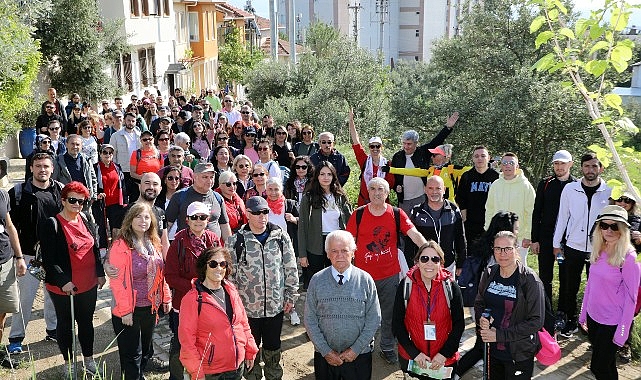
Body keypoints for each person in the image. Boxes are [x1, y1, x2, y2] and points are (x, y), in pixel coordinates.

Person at [346, 177, 428, 364]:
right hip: (362, 276)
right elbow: (347, 242)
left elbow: (413, 234)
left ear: (387, 192)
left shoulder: (397, 214)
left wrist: (429, 250)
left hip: (389, 275)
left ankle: (387, 347)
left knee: (389, 314)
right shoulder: (358, 215)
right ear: (368, 191)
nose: (376, 192)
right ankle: (363, 345)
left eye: (381, 189)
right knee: (361, 314)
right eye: (373, 189)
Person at [227, 196, 299, 380]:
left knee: (273, 347)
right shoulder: (235, 241)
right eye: (257, 212)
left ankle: (274, 376)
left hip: (275, 306)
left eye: (265, 212)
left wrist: (290, 296)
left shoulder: (280, 237)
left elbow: (290, 267)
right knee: (250, 349)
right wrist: (234, 306)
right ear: (247, 214)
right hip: (248, 309)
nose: (262, 216)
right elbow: (230, 277)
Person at [39, 182, 106, 376]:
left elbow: (95, 248)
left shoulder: (85, 218)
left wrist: (100, 272)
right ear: (63, 200)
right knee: (66, 325)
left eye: (81, 201)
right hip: (64, 287)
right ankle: (69, 364)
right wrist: (63, 281)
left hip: (88, 283)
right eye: (72, 200)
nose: (77, 204)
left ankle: (89, 360)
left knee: (86, 323)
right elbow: (49, 260)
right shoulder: (52, 223)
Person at [304, 230, 381, 380]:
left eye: (344, 250)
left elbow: (374, 319)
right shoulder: (316, 280)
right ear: (327, 254)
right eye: (334, 251)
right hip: (325, 358)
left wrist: (355, 350)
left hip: (359, 357)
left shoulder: (366, 280)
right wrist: (326, 351)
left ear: (353, 252)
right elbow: (310, 320)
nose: (340, 255)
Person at [108, 202, 171, 379]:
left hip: (150, 307)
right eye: (138, 216)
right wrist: (125, 311)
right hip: (129, 310)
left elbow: (161, 273)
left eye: (146, 217)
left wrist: (165, 297)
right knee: (132, 354)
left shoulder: (153, 242)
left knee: (145, 351)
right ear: (130, 219)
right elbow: (117, 282)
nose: (142, 220)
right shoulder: (121, 245)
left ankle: (138, 374)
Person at [7, 153, 61, 354]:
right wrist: (18, 256)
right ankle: (16, 338)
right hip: (29, 257)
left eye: (46, 166)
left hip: (54, 256)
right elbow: (8, 225)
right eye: (37, 166)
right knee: (25, 300)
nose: (42, 170)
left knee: (53, 296)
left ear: (52, 168)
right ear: (31, 168)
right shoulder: (18, 193)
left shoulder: (60, 191)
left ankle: (53, 330)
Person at [455, 211, 520, 378]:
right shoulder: (499, 254)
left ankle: (454, 373)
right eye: (516, 229)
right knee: (482, 346)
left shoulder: (484, 247)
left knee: (482, 345)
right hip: (489, 308)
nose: (517, 232)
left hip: (479, 304)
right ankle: (454, 373)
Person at [553, 152, 611, 338]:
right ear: (581, 168)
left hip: (599, 249)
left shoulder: (609, 191)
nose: (590, 170)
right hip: (573, 246)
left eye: (594, 166)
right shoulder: (570, 189)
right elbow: (562, 218)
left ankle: (594, 325)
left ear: (601, 168)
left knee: (598, 288)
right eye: (587, 166)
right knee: (569, 285)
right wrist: (556, 244)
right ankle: (567, 320)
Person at [579, 205, 641, 379]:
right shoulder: (599, 249)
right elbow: (590, 285)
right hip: (594, 318)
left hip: (611, 323)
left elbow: (631, 299)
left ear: (623, 229)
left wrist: (622, 334)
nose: (608, 230)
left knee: (600, 367)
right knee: (603, 366)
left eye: (614, 226)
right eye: (604, 225)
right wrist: (583, 314)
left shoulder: (629, 258)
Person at [178, 246, 259, 380]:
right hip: (212, 372)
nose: (219, 268)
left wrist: (250, 349)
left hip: (236, 367)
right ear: (204, 266)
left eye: (223, 264)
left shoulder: (231, 289)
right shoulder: (192, 299)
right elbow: (187, 340)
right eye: (213, 264)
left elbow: (243, 323)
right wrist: (196, 372)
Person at [475, 231, 545, 380]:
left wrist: (499, 335)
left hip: (518, 353)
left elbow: (536, 321)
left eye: (507, 248)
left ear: (516, 249)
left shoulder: (529, 279)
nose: (502, 253)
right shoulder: (489, 273)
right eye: (498, 249)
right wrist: (482, 318)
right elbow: (479, 303)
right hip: (492, 350)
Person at [165, 201, 222, 380]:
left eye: (203, 217)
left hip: (209, 303)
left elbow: (223, 268)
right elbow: (170, 275)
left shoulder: (213, 240)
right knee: (181, 345)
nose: (199, 220)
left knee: (206, 342)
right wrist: (193, 286)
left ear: (208, 219)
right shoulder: (179, 242)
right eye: (195, 217)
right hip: (183, 304)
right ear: (187, 220)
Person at [392, 241, 465, 378]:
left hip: (443, 361)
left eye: (435, 259)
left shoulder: (451, 286)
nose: (429, 263)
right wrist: (415, 354)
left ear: (441, 263)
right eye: (424, 258)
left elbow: (459, 324)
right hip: (413, 359)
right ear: (417, 262)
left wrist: (444, 354)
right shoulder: (406, 284)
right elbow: (397, 324)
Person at [530, 150, 575, 319]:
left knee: (565, 276)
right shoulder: (546, 183)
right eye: (556, 163)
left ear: (570, 164)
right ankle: (546, 311)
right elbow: (537, 212)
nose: (559, 167)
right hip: (546, 239)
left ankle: (563, 312)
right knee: (545, 277)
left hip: (566, 241)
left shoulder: (576, 185)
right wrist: (535, 239)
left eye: (563, 163)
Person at [391, 113, 458, 216]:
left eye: (409, 144)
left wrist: (448, 127)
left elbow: (437, 141)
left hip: (422, 197)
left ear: (416, 143)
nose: (406, 146)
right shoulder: (397, 156)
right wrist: (396, 186)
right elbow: (393, 176)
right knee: (404, 227)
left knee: (422, 225)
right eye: (404, 143)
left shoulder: (422, 152)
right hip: (404, 199)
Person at [298, 161, 352, 289]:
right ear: (317, 176)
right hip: (315, 243)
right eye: (322, 174)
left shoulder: (340, 196)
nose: (326, 177)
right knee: (316, 282)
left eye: (329, 174)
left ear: (333, 176)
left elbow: (350, 220)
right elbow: (302, 227)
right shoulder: (308, 197)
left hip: (336, 242)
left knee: (336, 279)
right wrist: (302, 254)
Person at [484, 152, 536, 264]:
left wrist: (528, 235)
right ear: (501, 166)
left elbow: (532, 212)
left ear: (517, 166)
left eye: (511, 163)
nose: (508, 165)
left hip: (519, 238)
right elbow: (489, 209)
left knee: (519, 270)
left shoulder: (526, 186)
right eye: (505, 163)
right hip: (497, 237)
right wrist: (488, 230)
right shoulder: (495, 185)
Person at [407, 176, 466, 273]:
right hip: (424, 265)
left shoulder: (453, 210)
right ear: (425, 190)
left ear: (444, 190)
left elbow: (460, 238)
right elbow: (409, 243)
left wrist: (461, 263)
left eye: (438, 188)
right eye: (430, 188)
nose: (434, 192)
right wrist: (411, 265)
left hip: (448, 265)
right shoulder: (416, 212)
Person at [166, 162, 232, 242]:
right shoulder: (180, 196)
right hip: (188, 248)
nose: (209, 181)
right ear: (195, 177)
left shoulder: (218, 197)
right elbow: (168, 225)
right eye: (205, 177)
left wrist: (229, 249)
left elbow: (224, 225)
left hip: (212, 249)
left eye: (211, 177)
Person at [0, 183, 26, 369]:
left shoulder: (2, 195)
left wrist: (19, 257)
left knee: (2, 313)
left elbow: (9, 226)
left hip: (5, 261)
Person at [348, 110, 394, 206]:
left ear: (381, 147)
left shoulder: (387, 164)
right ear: (369, 148)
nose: (375, 149)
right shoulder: (364, 160)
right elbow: (356, 142)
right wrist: (351, 121)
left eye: (378, 146)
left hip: (382, 203)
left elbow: (391, 184)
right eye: (372, 146)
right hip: (364, 202)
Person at [455, 145, 499, 245]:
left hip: (490, 222)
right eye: (476, 156)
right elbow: (461, 198)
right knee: (472, 254)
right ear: (473, 158)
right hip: (471, 223)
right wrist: (465, 219)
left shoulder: (496, 177)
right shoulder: (466, 176)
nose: (480, 158)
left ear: (489, 158)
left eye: (483, 156)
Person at [93, 143, 127, 253]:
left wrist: (125, 201)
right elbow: (92, 183)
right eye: (105, 152)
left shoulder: (117, 167)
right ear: (100, 154)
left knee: (116, 227)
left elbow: (123, 185)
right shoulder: (95, 168)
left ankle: (115, 250)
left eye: (110, 153)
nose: (108, 155)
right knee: (102, 227)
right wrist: (96, 193)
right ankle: (103, 250)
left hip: (116, 202)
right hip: (101, 202)